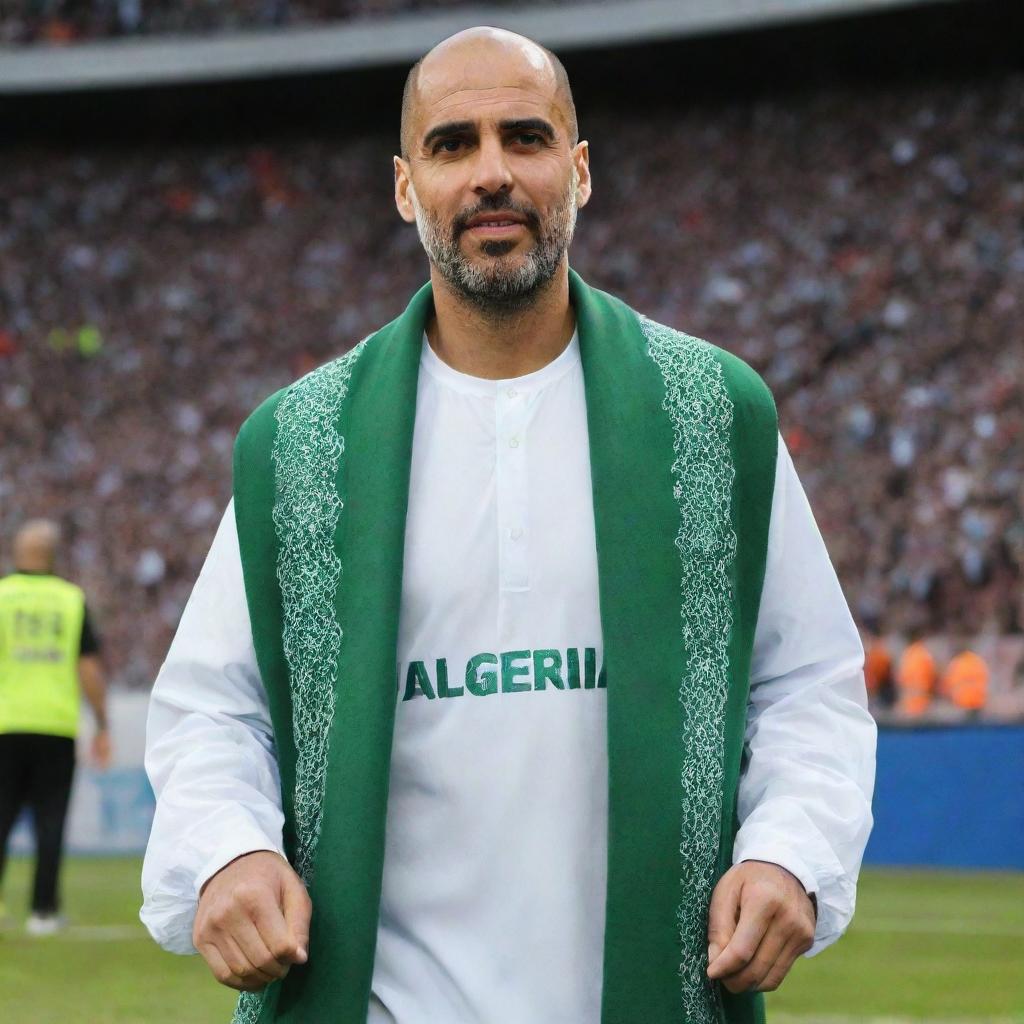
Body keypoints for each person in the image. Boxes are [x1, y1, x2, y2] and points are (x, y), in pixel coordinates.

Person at [141, 27, 876, 1024]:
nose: (491, 173)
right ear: (406, 188)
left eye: (524, 138)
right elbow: (211, 708)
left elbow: (807, 683)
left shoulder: (709, 414)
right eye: (452, 146)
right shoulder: (303, 441)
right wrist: (229, 848)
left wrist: (789, 850)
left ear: (577, 173)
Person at [0, 519, 111, 935]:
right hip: (55, 725)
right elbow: (88, 669)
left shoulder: (2, 596)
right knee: (50, 820)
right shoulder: (70, 599)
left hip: (5, 722)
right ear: (52, 556)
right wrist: (101, 723)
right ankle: (43, 912)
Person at [895, 625, 938, 717]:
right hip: (922, 704)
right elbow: (933, 678)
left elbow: (900, 679)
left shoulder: (906, 655)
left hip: (907, 704)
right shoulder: (924, 654)